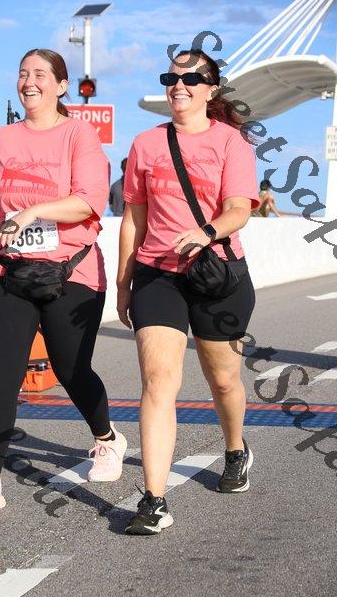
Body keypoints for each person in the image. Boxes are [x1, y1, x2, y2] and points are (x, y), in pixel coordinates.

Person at [0, 48, 127, 517]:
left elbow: (88, 202)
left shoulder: (79, 135)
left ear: (62, 86)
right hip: (5, 266)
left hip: (70, 267)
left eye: (40, 74)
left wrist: (32, 212)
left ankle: (107, 438)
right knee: (1, 370)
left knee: (71, 369)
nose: (29, 81)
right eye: (22, 73)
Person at [117, 49, 260, 535]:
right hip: (158, 275)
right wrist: (123, 283)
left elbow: (239, 208)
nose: (180, 86)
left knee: (223, 381)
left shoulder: (231, 142)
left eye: (192, 79)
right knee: (159, 381)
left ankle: (235, 449)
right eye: (172, 78)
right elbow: (133, 218)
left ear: (211, 88)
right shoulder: (145, 143)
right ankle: (153, 501)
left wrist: (206, 232)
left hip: (216, 273)